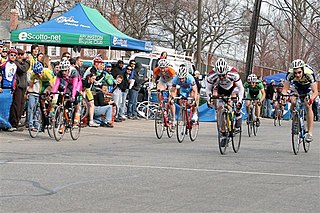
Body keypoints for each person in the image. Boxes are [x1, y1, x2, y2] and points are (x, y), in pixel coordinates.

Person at [206, 58, 244, 147]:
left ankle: (237, 113)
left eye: (223, 75)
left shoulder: (233, 73)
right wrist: (209, 99)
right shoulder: (211, 75)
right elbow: (208, 89)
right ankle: (223, 132)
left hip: (233, 88)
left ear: (227, 72)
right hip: (220, 89)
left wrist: (240, 101)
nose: (222, 77)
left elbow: (241, 88)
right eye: (220, 76)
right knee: (219, 109)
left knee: (233, 99)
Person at [281, 59, 318, 142]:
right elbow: (285, 89)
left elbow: (315, 92)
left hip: (307, 87)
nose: (297, 75)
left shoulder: (309, 73)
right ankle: (295, 119)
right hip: (297, 87)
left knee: (308, 105)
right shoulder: (290, 74)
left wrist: (311, 99)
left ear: (303, 70)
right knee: (293, 100)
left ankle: (310, 133)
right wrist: (284, 96)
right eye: (295, 73)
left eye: (299, 72)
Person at [9, 48, 30, 131]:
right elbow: (23, 69)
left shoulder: (21, 63)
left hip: (23, 87)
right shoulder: (15, 63)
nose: (20, 56)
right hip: (18, 87)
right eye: (19, 55)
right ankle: (14, 123)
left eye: (22, 55)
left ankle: (17, 122)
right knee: (16, 105)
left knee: (21, 106)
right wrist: (28, 61)